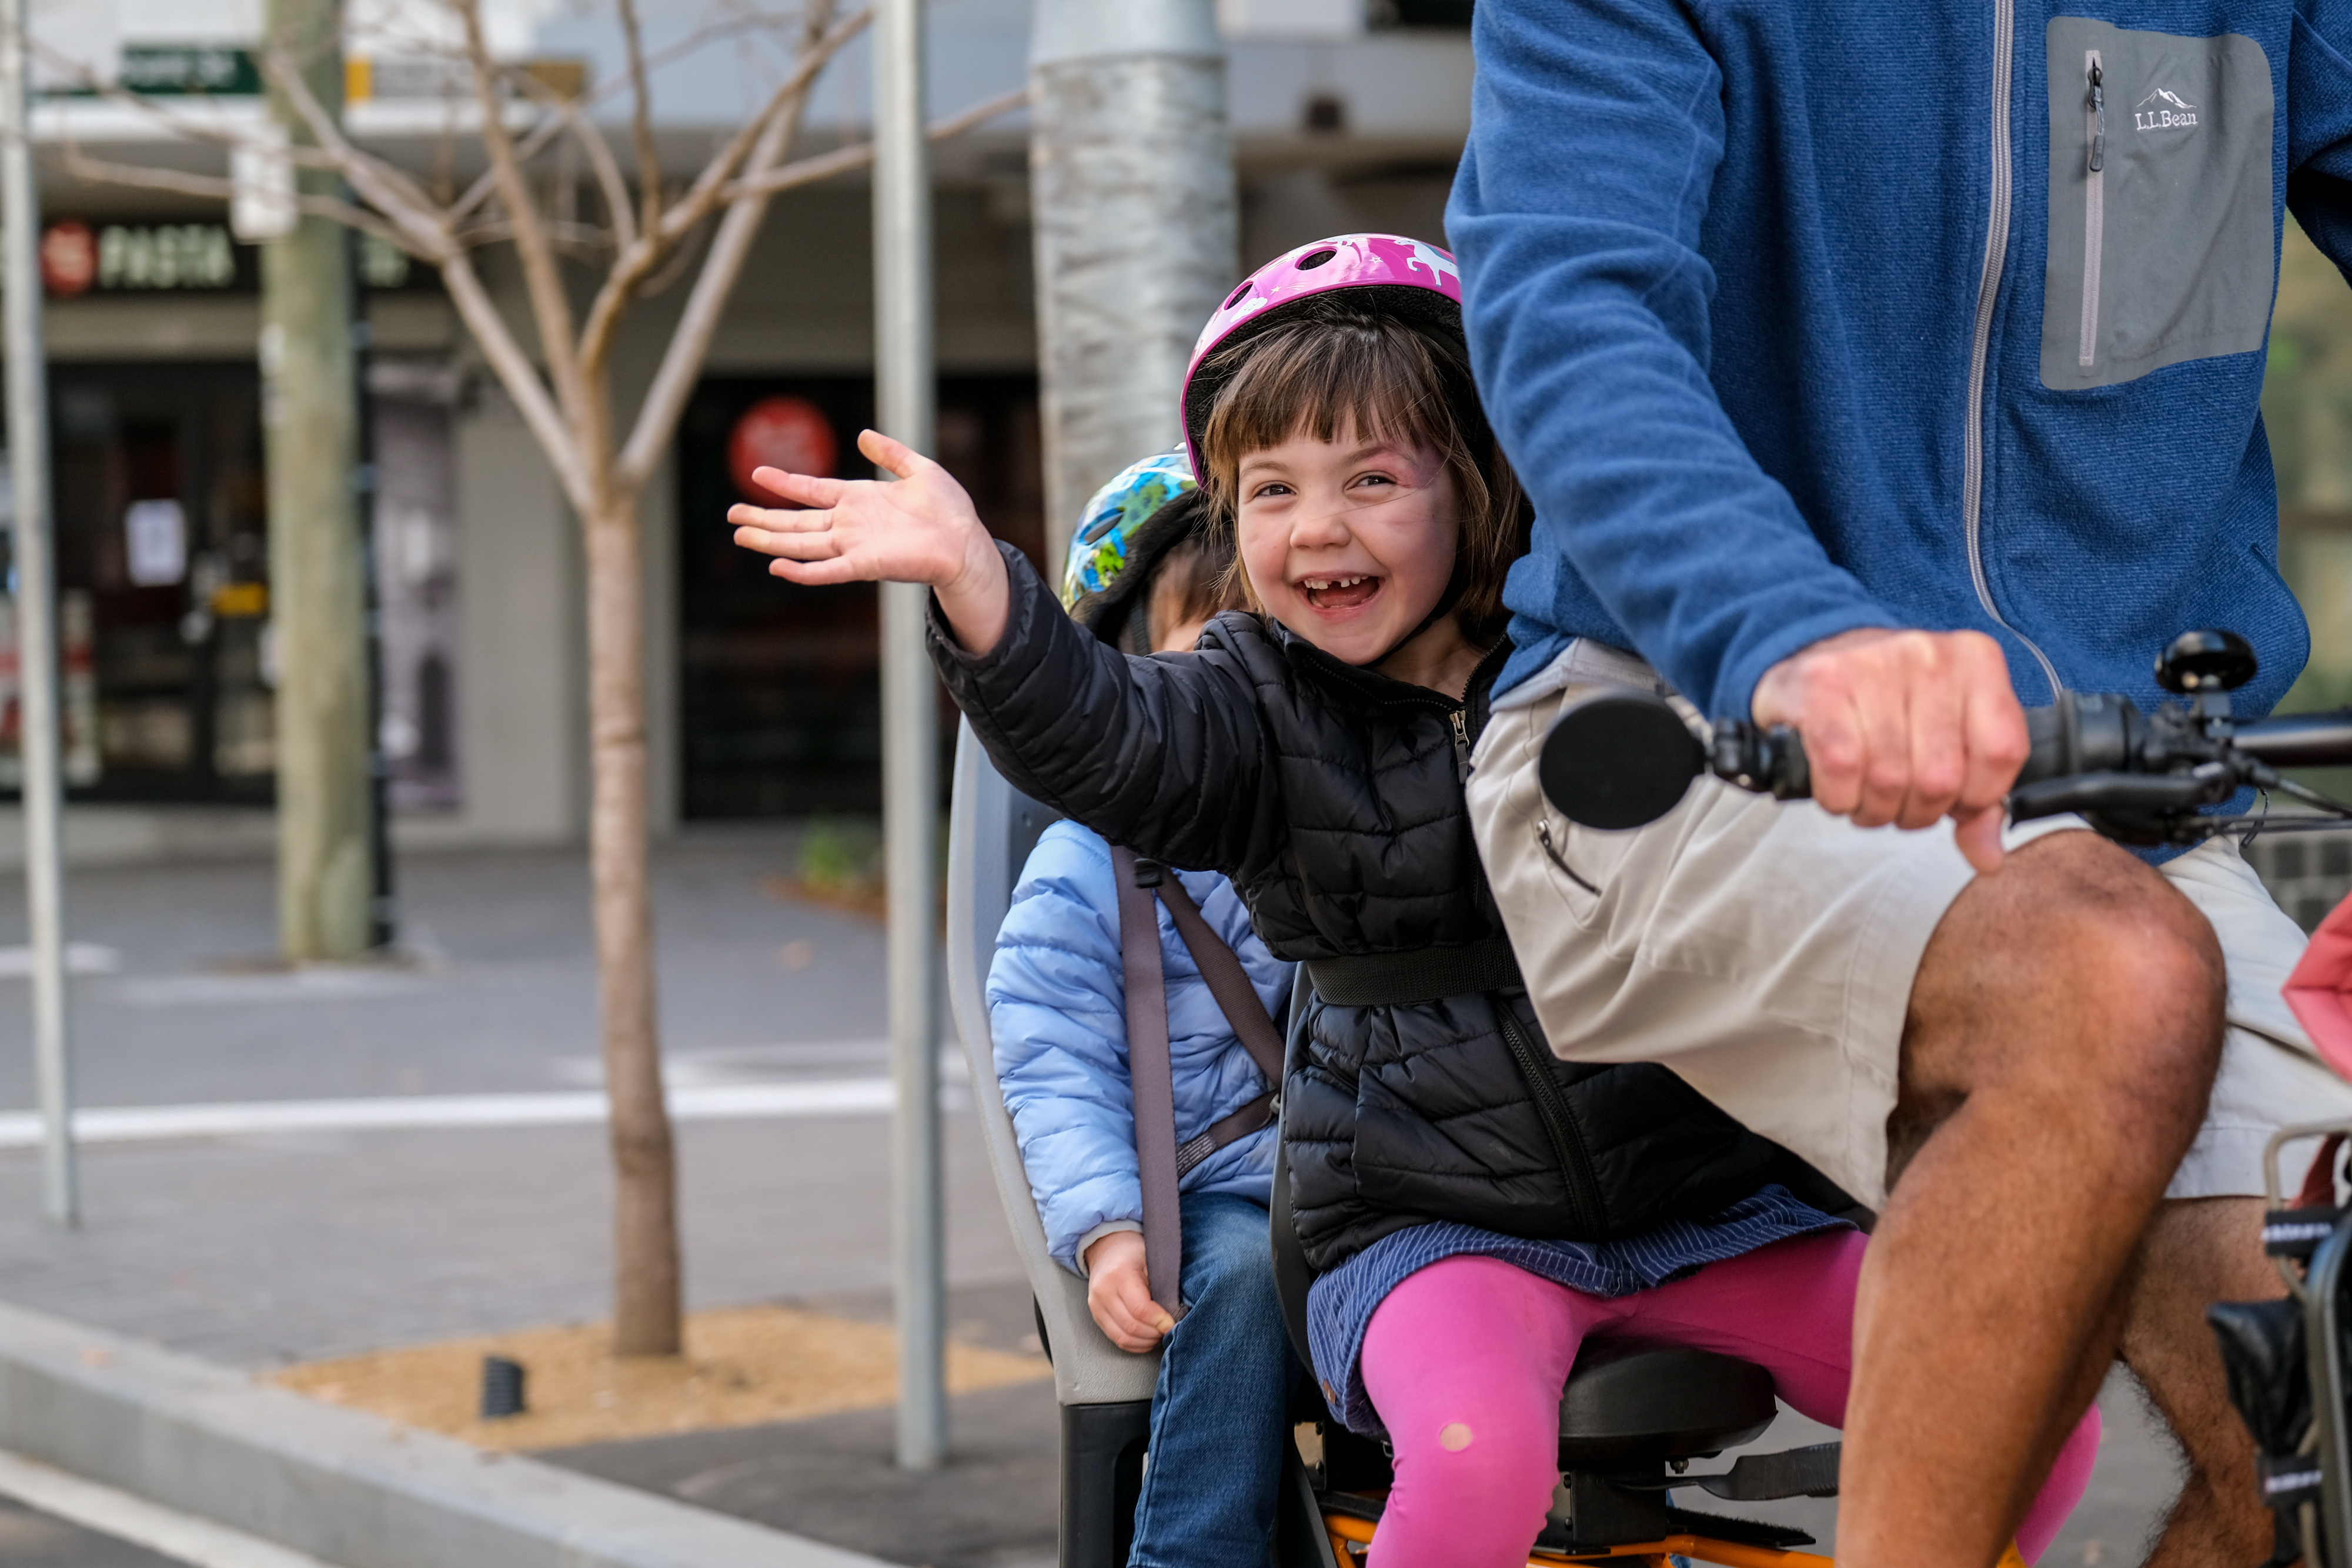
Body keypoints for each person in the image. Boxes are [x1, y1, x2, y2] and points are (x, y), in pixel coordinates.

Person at [730, 234, 2097, 1565]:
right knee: (1470, 1451)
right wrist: (981, 584)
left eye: (1371, 477)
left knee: (2018, 1377)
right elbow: (1102, 734)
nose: (1315, 527)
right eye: (1267, 491)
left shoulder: (1589, 655)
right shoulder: (1251, 701)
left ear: (1480, 482)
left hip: (1705, 1197)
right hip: (1431, 1218)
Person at [1443, 6, 2352, 1564]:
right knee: (2103, 967)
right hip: (1686, 725)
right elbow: (1574, 303)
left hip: (2135, 784)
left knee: (2321, 1407)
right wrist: (1794, 631)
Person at [987, 450, 1301, 1568]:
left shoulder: (1345, 812)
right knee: (1247, 1276)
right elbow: (1051, 1054)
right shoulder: (1091, 861)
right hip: (1206, 1193)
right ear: (1131, 676)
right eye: (1202, 654)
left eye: (1268, 646)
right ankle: (1194, 1549)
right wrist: (1110, 1232)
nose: (1240, 685)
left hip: (1371, 1168)